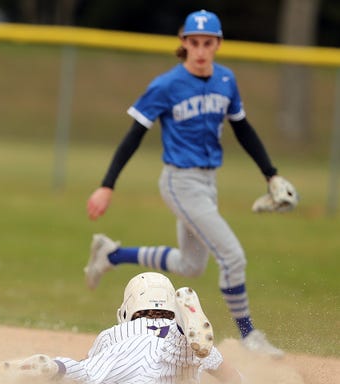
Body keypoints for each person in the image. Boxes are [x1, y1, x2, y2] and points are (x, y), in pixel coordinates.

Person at [84, 10, 293, 358]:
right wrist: (107, 185)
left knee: (191, 265)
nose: (200, 50)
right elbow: (133, 136)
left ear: (218, 44)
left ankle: (112, 254)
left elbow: (243, 129)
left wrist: (271, 174)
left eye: (207, 43)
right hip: (180, 182)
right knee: (232, 257)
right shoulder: (166, 85)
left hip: (209, 183)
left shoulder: (225, 80)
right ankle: (250, 336)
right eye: (193, 43)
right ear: (183, 43)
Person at [0, 272, 242, 384]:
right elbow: (230, 377)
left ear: (128, 308)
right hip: (171, 356)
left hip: (126, 353)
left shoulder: (114, 332)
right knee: (182, 358)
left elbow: (95, 364)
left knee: (86, 373)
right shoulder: (199, 344)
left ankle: (55, 367)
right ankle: (180, 331)